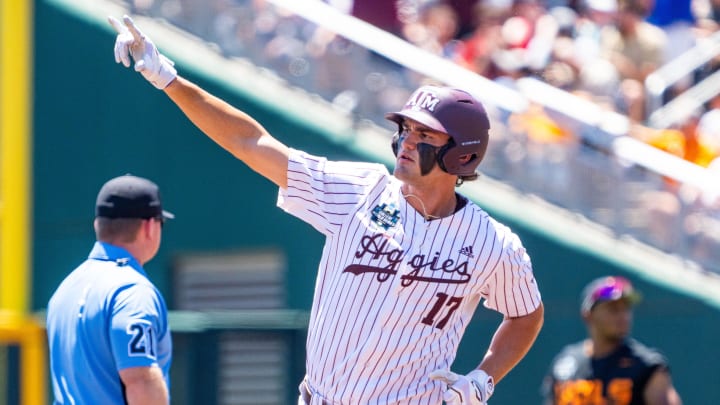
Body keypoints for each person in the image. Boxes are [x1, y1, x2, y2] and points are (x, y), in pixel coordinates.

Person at [108, 15, 544, 404]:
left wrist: (483, 380)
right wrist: (167, 79)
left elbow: (526, 313)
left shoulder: (492, 243)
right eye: (406, 128)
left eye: (425, 135)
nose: (407, 140)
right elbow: (252, 142)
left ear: (463, 157)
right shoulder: (359, 191)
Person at [46, 174, 174, 405]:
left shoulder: (65, 289)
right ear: (149, 227)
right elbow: (140, 380)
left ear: (98, 225)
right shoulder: (132, 291)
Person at [542, 276, 683, 405]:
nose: (623, 316)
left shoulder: (645, 366)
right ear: (588, 315)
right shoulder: (565, 363)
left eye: (626, 308)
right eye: (613, 309)